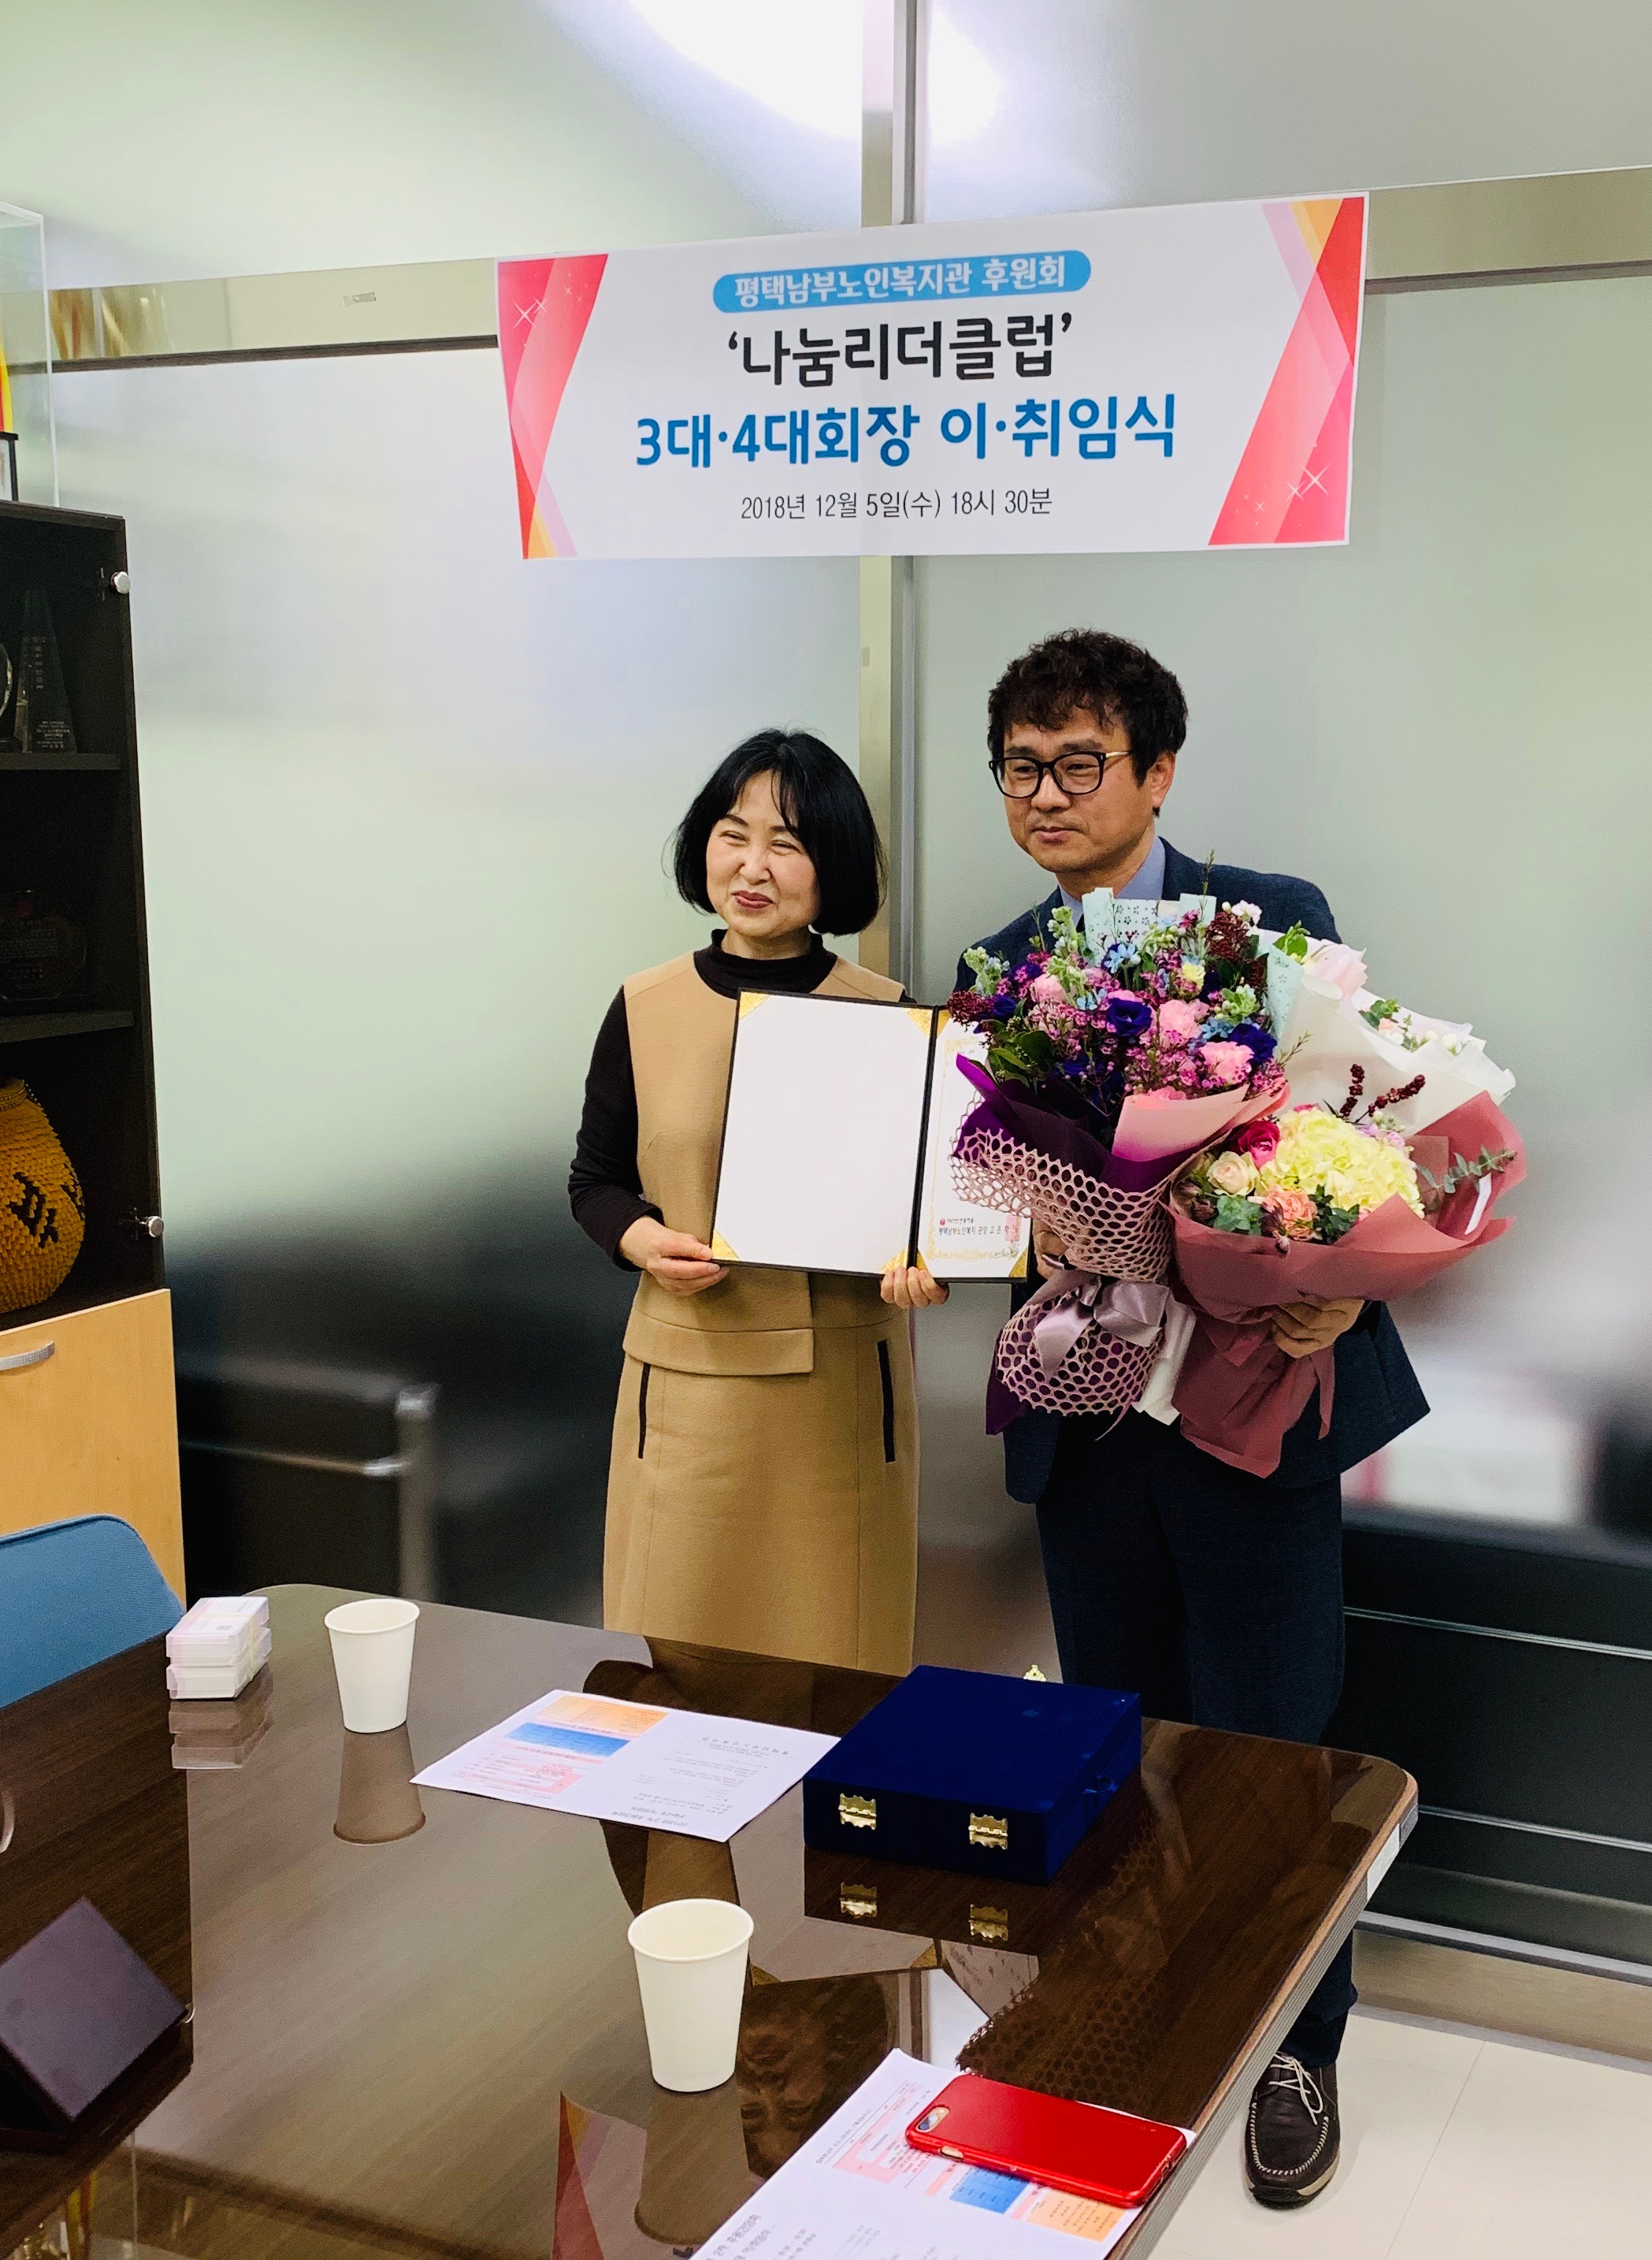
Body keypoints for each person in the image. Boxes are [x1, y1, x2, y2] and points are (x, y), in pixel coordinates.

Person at [957, 630, 1426, 2210]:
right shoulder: (998, 964)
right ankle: (1143, 2010)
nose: (1045, 794)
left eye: (1079, 762)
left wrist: (1341, 1286)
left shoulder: (1273, 923)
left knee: (1271, 1754)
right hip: (1092, 1432)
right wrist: (982, 1238)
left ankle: (1297, 2045)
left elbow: (1362, 1137)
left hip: (1255, 1408)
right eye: (1021, 766)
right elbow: (987, 1188)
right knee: (1119, 1745)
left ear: (1157, 773)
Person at [570, 729, 945, 1675]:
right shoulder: (645, 1005)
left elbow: (921, 1210)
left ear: (834, 865)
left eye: (788, 843)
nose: (753, 866)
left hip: (841, 1398)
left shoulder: (888, 1013)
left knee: (840, 1683)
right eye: (733, 835)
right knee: (682, 1677)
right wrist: (641, 1239)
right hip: (688, 1385)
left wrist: (926, 1265)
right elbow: (594, 1181)